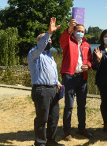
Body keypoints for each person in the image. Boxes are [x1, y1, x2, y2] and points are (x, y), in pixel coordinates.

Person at [28, 17, 64, 146]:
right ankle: (40, 143)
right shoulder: (34, 53)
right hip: (41, 90)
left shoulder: (50, 56)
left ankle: (51, 141)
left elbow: (52, 73)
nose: (49, 41)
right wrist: (49, 32)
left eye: (50, 39)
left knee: (54, 117)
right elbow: (40, 46)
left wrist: (58, 82)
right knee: (42, 118)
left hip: (53, 89)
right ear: (38, 41)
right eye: (46, 39)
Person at [60, 19, 93, 140]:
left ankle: (82, 128)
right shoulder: (68, 41)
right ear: (73, 31)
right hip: (69, 76)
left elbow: (90, 60)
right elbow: (62, 41)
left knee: (82, 105)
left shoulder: (87, 45)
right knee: (69, 105)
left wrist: (88, 66)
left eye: (82, 31)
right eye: (78, 31)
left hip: (82, 77)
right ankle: (67, 130)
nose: (80, 33)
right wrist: (68, 29)